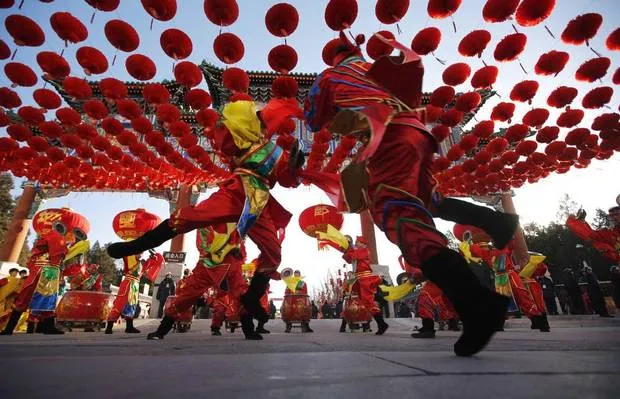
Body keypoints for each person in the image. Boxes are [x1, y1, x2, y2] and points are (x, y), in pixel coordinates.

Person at [304, 31, 516, 356]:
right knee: (429, 200)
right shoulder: (372, 70)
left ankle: (479, 304)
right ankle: (495, 222)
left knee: (399, 214)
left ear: (333, 57)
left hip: (389, 139)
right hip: (416, 132)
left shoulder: (333, 76)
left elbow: (313, 117)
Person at [107, 101, 302, 336]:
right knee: (189, 217)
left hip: (257, 202)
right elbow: (228, 143)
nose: (260, 123)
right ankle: (137, 245)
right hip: (235, 193)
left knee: (273, 253)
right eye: (256, 119)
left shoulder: (274, 150)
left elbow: (286, 178)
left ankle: (251, 302)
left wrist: (294, 167)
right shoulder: (241, 142)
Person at [147, 224, 250, 340]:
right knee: (185, 296)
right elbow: (204, 243)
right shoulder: (207, 215)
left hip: (231, 265)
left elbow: (242, 236)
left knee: (241, 295)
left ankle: (249, 331)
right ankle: (161, 330)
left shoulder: (236, 216)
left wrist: (238, 244)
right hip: (207, 265)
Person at [1, 208, 90, 336]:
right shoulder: (57, 237)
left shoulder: (51, 235)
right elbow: (56, 255)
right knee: (47, 296)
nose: (75, 238)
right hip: (46, 270)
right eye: (76, 234)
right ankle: (45, 327)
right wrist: (59, 269)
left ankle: (10, 329)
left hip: (38, 269)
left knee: (26, 298)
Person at [105, 251, 164, 334]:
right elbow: (126, 254)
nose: (140, 254)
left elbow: (156, 262)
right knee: (119, 304)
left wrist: (154, 254)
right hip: (127, 284)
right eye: (138, 252)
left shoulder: (142, 263)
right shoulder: (129, 259)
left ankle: (129, 327)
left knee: (132, 305)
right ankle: (109, 327)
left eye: (141, 253)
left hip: (135, 286)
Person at [342, 236, 388, 335]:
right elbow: (349, 259)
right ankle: (382, 323)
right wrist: (346, 249)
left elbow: (354, 256)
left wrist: (350, 247)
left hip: (365, 279)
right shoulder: (359, 250)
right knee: (366, 302)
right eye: (355, 242)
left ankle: (382, 324)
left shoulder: (364, 250)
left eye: (357, 242)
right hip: (359, 279)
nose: (356, 244)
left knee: (368, 301)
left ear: (363, 243)